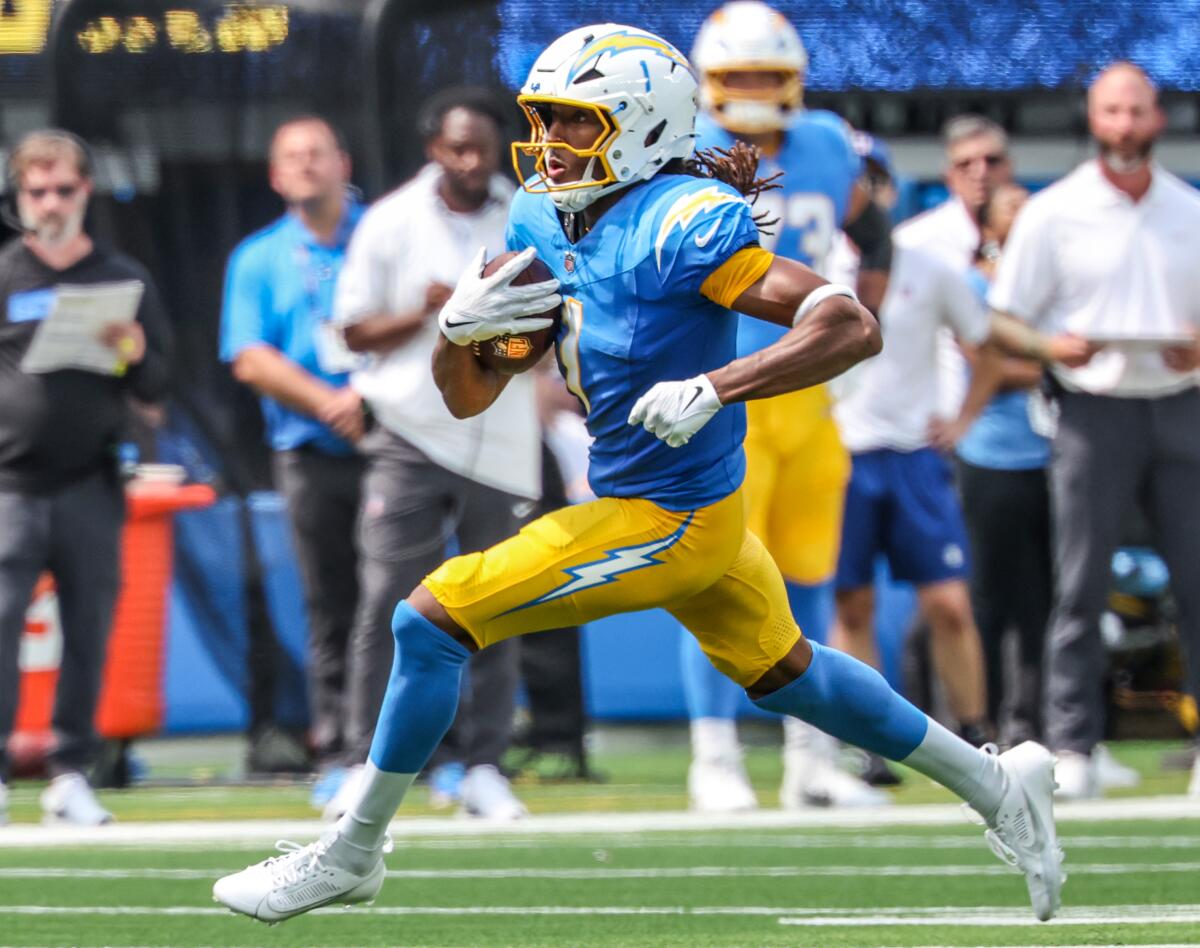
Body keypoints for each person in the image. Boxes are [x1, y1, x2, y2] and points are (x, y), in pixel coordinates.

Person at [213, 24, 1065, 924]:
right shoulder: (543, 213)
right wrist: (460, 335)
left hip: (671, 514)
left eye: (575, 125)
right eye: (542, 121)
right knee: (792, 674)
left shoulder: (682, 222)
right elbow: (469, 395)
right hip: (672, 502)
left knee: (427, 621)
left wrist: (717, 383)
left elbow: (848, 322)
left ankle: (352, 850)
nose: (548, 146)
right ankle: (999, 783)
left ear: (644, 125)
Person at [678, 0, 894, 812]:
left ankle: (809, 760)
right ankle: (716, 757)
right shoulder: (684, 148)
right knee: (715, 579)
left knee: (807, 578)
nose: (759, 92)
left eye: (771, 76)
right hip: (721, 389)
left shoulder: (829, 145)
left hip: (806, 395)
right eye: (742, 78)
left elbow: (876, 234)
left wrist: (860, 318)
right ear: (711, 84)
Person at [987, 63, 1200, 800]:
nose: (1124, 126)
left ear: (1157, 118)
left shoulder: (1187, 209)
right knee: (1078, 583)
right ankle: (1073, 744)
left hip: (1180, 401)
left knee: (1198, 581)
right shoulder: (1056, 211)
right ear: (1093, 117)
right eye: (1112, 112)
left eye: (1136, 112)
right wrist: (1052, 348)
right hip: (1091, 409)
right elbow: (1004, 316)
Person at [328, 87, 538, 821]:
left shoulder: (531, 216)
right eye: (457, 147)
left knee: (500, 604)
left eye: (482, 147)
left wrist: (492, 314)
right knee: (386, 597)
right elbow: (350, 331)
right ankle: (364, 760)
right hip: (411, 432)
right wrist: (429, 310)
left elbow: (554, 327)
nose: (471, 161)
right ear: (432, 149)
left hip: (505, 437)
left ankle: (483, 763)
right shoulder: (389, 220)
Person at [0, 129, 172, 824]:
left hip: (91, 481)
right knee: (1, 625)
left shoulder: (119, 275)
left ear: (85, 193)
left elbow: (162, 379)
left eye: (63, 189)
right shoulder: (6, 272)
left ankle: (72, 770)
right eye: (36, 191)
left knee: (89, 627)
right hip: (9, 483)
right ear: (20, 197)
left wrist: (131, 350)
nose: (50, 203)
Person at [830, 117, 1012, 754]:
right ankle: (868, 744)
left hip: (912, 455)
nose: (859, 195)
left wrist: (959, 421)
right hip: (839, 455)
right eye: (847, 183)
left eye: (871, 182)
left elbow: (987, 349)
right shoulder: (809, 263)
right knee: (851, 606)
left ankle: (976, 735)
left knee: (948, 605)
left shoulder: (927, 267)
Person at [220, 116, 366, 795]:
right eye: (291, 157)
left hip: (399, 443)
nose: (306, 165)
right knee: (329, 606)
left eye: (317, 152)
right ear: (276, 176)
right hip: (309, 451)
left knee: (420, 599)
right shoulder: (257, 257)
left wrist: (370, 397)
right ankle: (339, 753)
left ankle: (444, 751)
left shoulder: (384, 233)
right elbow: (249, 357)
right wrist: (328, 402)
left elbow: (437, 324)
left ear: (343, 161)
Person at [930, 183, 1051, 748]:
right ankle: (982, 726)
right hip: (989, 456)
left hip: (1050, 455)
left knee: (1043, 600)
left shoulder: (1049, 289)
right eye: (1011, 209)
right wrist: (1057, 360)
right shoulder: (972, 283)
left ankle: (1036, 726)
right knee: (984, 597)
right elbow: (989, 364)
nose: (1022, 220)